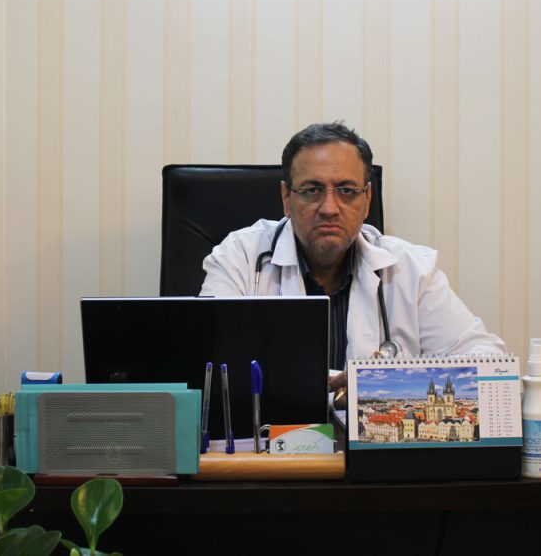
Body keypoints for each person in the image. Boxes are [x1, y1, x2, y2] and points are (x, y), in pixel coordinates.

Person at [200, 122, 507, 397]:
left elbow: (490, 363)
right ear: (286, 199)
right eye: (311, 190)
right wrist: (339, 383)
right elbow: (207, 364)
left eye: (346, 190)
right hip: (268, 439)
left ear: (367, 199)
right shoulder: (239, 258)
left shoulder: (411, 270)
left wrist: (384, 383)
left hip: (374, 444)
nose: (329, 208)